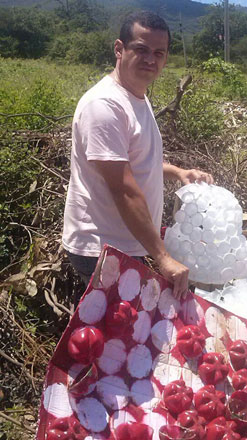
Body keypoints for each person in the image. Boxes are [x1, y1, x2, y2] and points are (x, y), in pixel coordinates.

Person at [62, 11, 213, 303]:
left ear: (166, 58)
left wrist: (178, 172)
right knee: (120, 338)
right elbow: (123, 189)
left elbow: (136, 162)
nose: (150, 60)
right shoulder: (105, 105)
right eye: (141, 49)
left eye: (158, 53)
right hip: (102, 249)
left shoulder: (136, 97)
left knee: (128, 334)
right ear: (119, 49)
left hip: (126, 244)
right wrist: (163, 258)